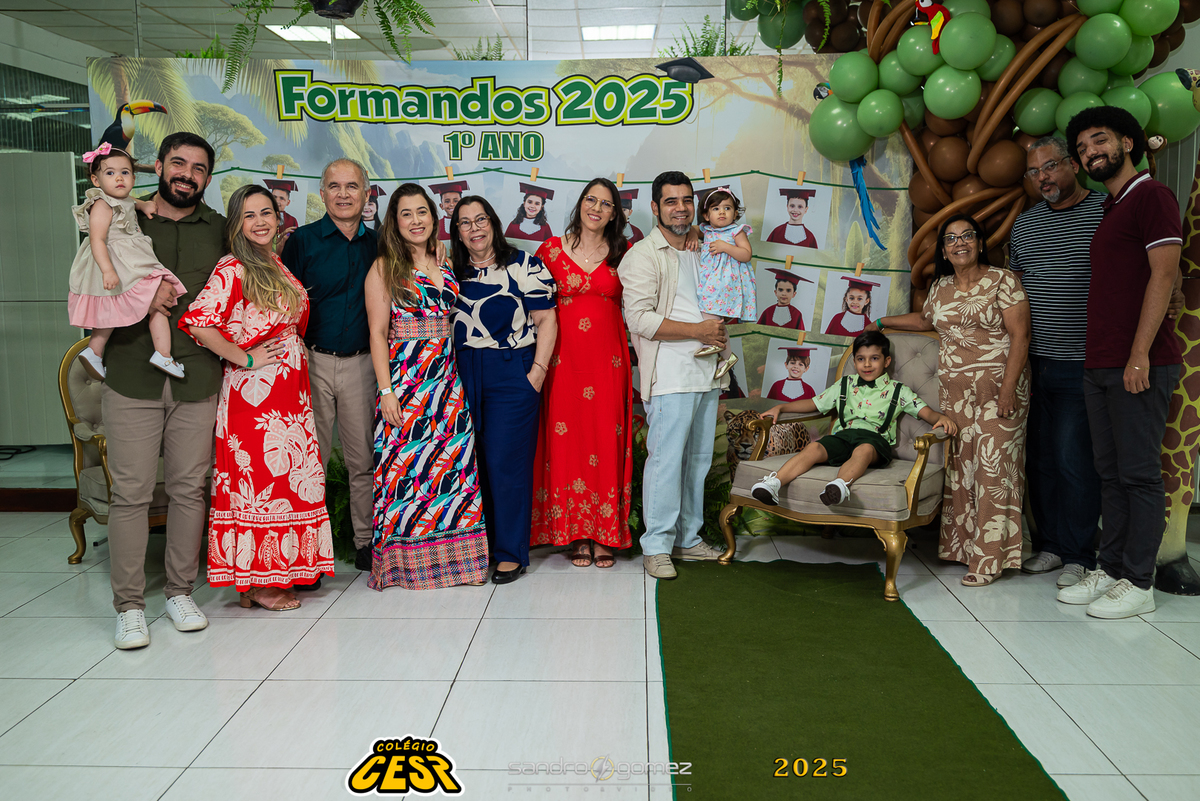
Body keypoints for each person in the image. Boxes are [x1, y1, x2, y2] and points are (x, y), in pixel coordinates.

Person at [180, 184, 334, 611]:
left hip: (290, 397)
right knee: (262, 485)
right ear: (236, 224)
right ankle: (259, 584)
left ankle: (268, 578)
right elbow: (198, 322)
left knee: (285, 482)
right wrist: (244, 357)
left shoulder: (273, 263)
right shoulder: (234, 267)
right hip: (256, 399)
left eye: (266, 212)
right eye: (249, 215)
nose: (260, 221)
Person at [1056, 106, 1183, 618]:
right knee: (1109, 474)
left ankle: (1140, 582)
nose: (1091, 152)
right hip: (1101, 363)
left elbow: (1164, 274)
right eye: (1082, 148)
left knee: (1139, 475)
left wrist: (1139, 354)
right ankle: (1110, 569)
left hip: (1139, 362)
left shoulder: (1152, 195)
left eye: (1100, 140)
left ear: (1128, 143)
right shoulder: (1113, 207)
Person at [101, 132, 224, 649]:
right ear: (158, 166)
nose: (187, 175)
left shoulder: (220, 229)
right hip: (132, 374)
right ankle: (129, 606)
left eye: (198, 168)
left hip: (198, 377)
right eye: (178, 163)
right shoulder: (122, 217)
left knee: (189, 489)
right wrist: (139, 300)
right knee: (130, 493)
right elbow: (90, 284)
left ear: (208, 178)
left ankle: (179, 592)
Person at [871, 214, 1031, 587]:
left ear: (980, 242)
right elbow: (925, 321)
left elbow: (1020, 336)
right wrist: (880, 322)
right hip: (956, 396)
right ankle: (964, 550)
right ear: (944, 250)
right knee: (964, 469)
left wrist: (1008, 389)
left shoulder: (1003, 280)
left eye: (967, 236)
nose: (960, 243)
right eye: (951, 239)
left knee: (995, 471)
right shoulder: (942, 286)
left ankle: (989, 561)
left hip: (999, 391)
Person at [365, 184, 489, 590]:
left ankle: (459, 565)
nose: (415, 220)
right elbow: (377, 333)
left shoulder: (445, 258)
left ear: (434, 219)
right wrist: (386, 391)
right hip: (405, 381)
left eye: (422, 212)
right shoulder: (384, 267)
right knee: (408, 474)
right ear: (394, 222)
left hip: (447, 380)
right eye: (406, 214)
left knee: (452, 470)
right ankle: (407, 568)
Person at [619, 171, 728, 580]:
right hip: (669, 374)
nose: (680, 208)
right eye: (670, 201)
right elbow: (640, 319)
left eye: (686, 200)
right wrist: (698, 331)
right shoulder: (642, 255)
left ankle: (688, 537)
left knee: (698, 460)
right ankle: (656, 546)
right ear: (654, 207)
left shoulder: (705, 247)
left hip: (709, 369)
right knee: (666, 461)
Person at [1009, 136, 1106, 589]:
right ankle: (1049, 546)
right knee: (1041, 461)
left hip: (1081, 362)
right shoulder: (1025, 224)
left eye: (1049, 167)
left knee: (1073, 460)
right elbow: (1015, 292)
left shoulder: (1105, 211)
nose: (1042, 177)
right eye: (1033, 172)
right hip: (1033, 364)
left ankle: (1079, 555)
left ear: (1074, 164)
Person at [452, 194, 558, 583]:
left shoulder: (524, 265)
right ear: (457, 231)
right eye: (465, 222)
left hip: (511, 370)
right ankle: (477, 547)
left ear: (494, 223)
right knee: (468, 464)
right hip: (460, 372)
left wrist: (536, 374)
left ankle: (511, 552)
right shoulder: (450, 270)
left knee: (505, 464)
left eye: (481, 220)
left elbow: (546, 320)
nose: (474, 228)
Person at [280, 159, 377, 576]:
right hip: (311, 361)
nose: (343, 194)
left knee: (362, 461)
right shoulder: (301, 242)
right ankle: (308, 553)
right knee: (309, 460)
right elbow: (283, 303)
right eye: (334, 186)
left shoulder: (381, 245)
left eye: (351, 186)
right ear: (322, 194)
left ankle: (366, 542)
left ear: (366, 194)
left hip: (362, 364)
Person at [531, 178, 633, 569]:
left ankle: (604, 532)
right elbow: (531, 304)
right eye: (591, 199)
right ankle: (574, 532)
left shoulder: (625, 253)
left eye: (606, 204)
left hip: (608, 363)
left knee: (605, 440)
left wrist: (692, 237)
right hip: (562, 363)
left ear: (614, 214)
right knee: (566, 444)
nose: (597, 208)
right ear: (580, 204)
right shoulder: (551, 250)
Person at [752, 331, 956, 506]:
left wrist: (940, 418)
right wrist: (782, 407)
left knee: (863, 450)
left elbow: (925, 412)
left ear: (886, 361)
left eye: (874, 358)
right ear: (855, 361)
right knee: (814, 448)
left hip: (874, 441)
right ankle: (773, 484)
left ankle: (839, 486)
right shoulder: (845, 384)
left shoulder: (898, 390)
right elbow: (814, 403)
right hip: (843, 437)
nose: (866, 364)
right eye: (860, 359)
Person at [69, 142, 188, 381]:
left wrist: (143, 204)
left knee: (139, 305)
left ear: (133, 178)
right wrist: (107, 270)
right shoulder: (101, 204)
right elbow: (97, 240)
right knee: (150, 298)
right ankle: (160, 354)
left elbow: (129, 202)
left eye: (125, 172)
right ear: (95, 180)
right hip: (118, 261)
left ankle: (97, 351)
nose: (119, 178)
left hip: (131, 259)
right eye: (110, 173)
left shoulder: (121, 199)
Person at [694, 186, 753, 379]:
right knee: (712, 316)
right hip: (711, 281)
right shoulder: (706, 230)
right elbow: (691, 230)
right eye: (715, 208)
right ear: (706, 215)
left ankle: (715, 345)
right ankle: (727, 356)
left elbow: (746, 254)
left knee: (709, 312)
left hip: (727, 282)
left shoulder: (736, 231)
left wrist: (725, 247)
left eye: (727, 208)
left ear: (735, 214)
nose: (722, 212)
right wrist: (691, 236)